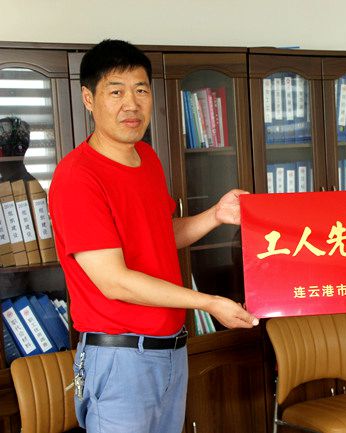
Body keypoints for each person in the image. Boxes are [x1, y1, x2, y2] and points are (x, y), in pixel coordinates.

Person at [48, 39, 258, 433]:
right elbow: (114, 281)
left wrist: (216, 215)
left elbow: (160, 236)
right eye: (116, 92)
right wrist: (208, 302)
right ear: (88, 99)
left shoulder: (147, 159)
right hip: (121, 358)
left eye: (141, 90)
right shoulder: (77, 177)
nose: (131, 104)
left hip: (170, 351)